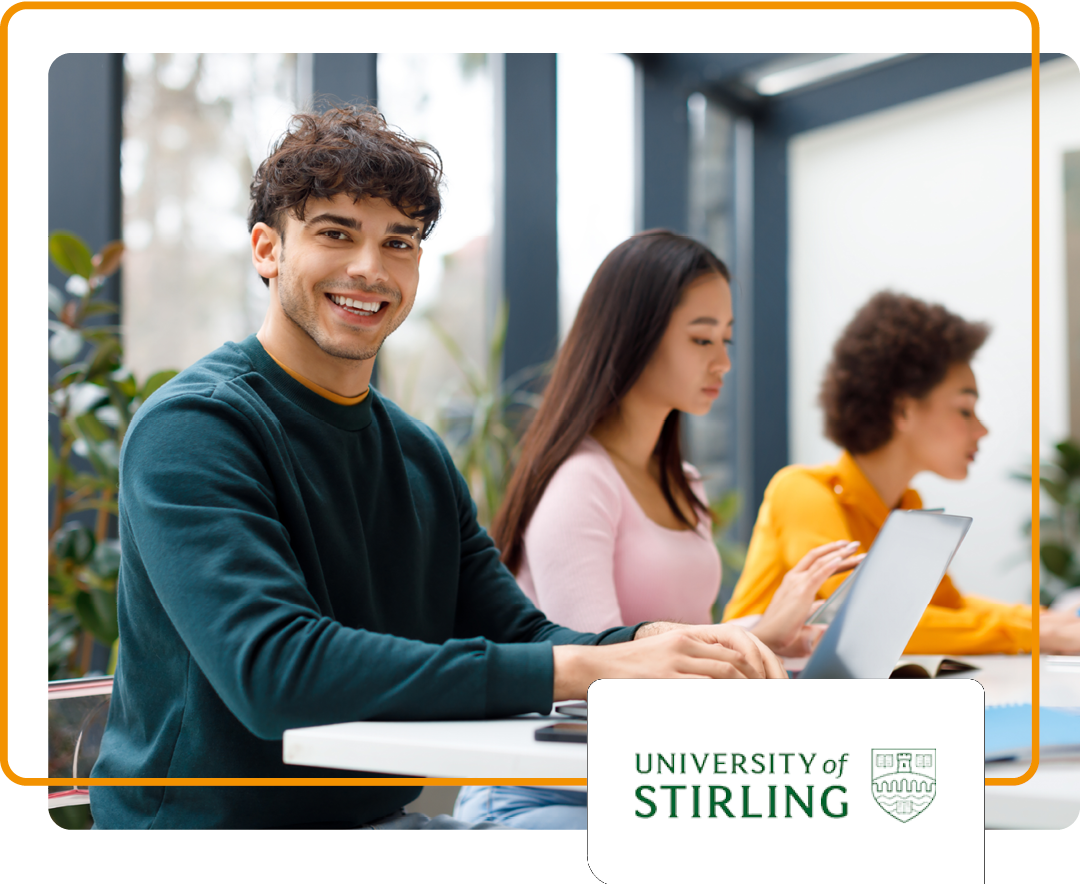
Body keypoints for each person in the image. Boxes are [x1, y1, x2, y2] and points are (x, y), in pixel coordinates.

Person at [88, 108, 789, 830]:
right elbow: (275, 671)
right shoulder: (195, 428)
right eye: (336, 233)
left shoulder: (418, 454)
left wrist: (647, 647)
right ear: (267, 249)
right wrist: (588, 671)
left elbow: (520, 634)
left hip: (377, 831)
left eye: (399, 242)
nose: (370, 268)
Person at [454, 231, 863, 829]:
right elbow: (599, 672)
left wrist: (771, 643)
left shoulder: (684, 484)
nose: (722, 362)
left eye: (725, 339)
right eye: (701, 339)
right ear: (633, 335)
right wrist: (757, 631)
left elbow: (678, 647)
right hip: (555, 795)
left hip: (651, 781)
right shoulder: (580, 483)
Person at [724, 291, 1080, 655]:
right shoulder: (801, 490)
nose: (982, 430)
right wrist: (1036, 633)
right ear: (903, 411)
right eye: (964, 409)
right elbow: (868, 621)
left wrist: (1047, 621)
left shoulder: (906, 505)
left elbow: (948, 608)